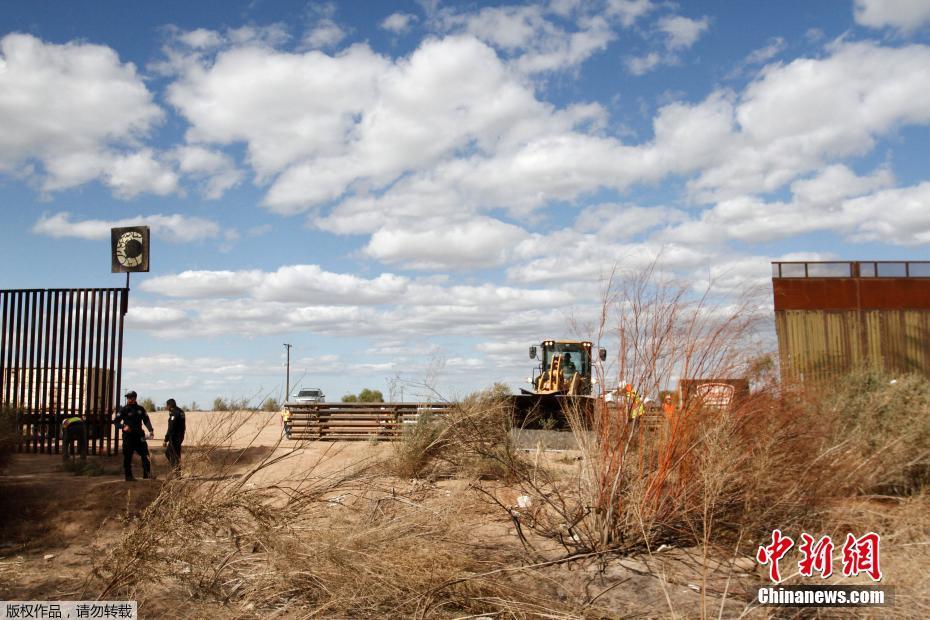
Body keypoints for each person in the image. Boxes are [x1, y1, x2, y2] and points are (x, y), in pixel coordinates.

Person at [114, 390, 154, 481]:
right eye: (127, 397)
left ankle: (147, 475)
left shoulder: (140, 409)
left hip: (140, 436)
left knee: (145, 455)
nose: (128, 399)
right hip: (128, 436)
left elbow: (146, 420)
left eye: (130, 397)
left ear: (134, 398)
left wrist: (151, 430)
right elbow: (116, 422)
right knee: (128, 456)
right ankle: (128, 476)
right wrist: (123, 426)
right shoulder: (124, 409)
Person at [163, 398, 186, 474]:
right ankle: (176, 471)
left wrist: (166, 439)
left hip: (174, 437)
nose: (166, 407)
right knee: (170, 453)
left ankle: (177, 472)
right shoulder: (181, 411)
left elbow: (171, 427)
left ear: (170, 405)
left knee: (174, 455)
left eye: (167, 406)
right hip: (180, 436)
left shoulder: (174, 413)